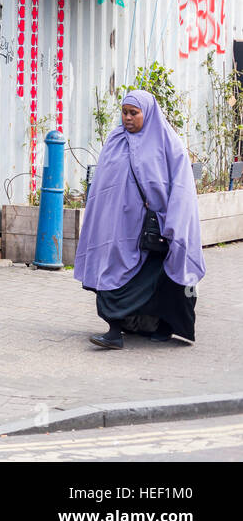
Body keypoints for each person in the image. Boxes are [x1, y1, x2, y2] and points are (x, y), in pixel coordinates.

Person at [74, 90, 205, 349]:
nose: (127, 118)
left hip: (155, 230)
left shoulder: (169, 143)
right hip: (119, 231)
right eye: (124, 112)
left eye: (134, 113)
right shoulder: (115, 140)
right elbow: (103, 188)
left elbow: (181, 188)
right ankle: (115, 330)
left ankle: (162, 326)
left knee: (166, 276)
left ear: (148, 113)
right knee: (112, 275)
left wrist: (175, 223)